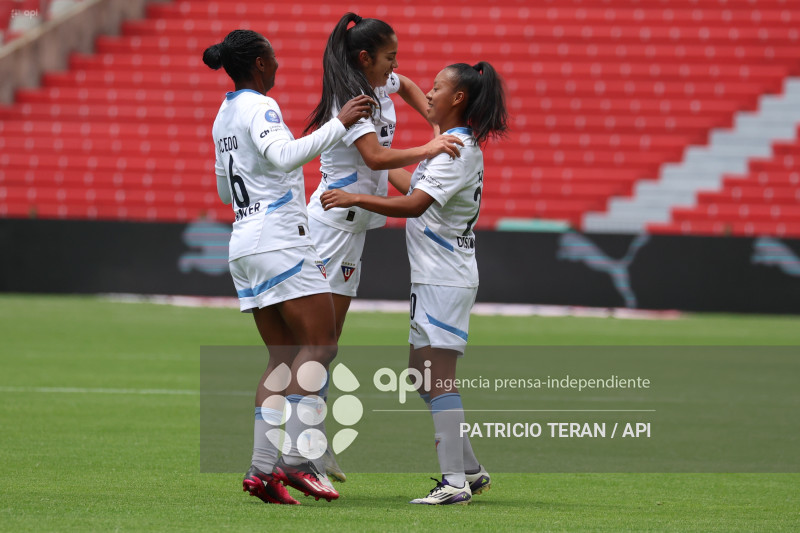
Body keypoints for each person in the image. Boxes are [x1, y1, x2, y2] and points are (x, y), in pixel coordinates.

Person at [321, 61, 509, 505]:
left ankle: (454, 483)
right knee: (423, 376)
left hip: (444, 279)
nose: (429, 93)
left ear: (457, 98)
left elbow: (415, 205)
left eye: (437, 87)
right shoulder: (448, 143)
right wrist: (375, 161)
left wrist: (354, 196)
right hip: (436, 277)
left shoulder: (454, 149)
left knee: (437, 379)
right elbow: (413, 184)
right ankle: (469, 469)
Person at [202, 29, 375, 505]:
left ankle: (261, 470)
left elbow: (224, 189)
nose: (278, 64)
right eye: (273, 57)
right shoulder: (261, 107)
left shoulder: (223, 115)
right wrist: (339, 123)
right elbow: (282, 155)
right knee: (320, 346)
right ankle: (297, 460)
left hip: (243, 242)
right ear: (259, 64)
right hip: (279, 239)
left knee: (281, 357)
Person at [304, 11, 463, 484]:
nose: (396, 66)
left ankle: (310, 444)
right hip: (331, 228)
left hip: (353, 231)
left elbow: (407, 84)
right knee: (318, 345)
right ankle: (304, 447)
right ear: (364, 57)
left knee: (326, 345)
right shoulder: (352, 97)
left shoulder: (379, 82)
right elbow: (374, 158)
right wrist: (429, 149)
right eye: (389, 57)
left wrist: (433, 125)